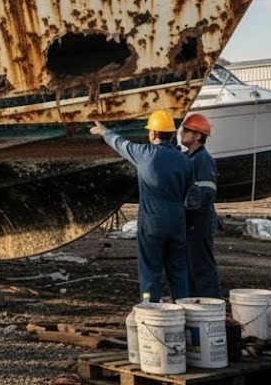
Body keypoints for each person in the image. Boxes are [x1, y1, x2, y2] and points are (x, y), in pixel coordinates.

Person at [91, 111, 193, 302]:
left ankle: (149, 306)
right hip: (177, 221)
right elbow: (189, 190)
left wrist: (105, 131)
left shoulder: (144, 154)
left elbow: (121, 144)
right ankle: (183, 308)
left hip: (152, 221)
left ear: (153, 133)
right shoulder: (185, 161)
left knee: (149, 271)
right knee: (178, 271)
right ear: (172, 134)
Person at [180, 112, 221, 298]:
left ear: (197, 136)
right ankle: (194, 305)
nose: (182, 132)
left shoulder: (203, 159)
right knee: (188, 266)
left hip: (199, 221)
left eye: (186, 130)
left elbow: (206, 194)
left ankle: (211, 306)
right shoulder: (186, 157)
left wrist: (189, 211)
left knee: (201, 265)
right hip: (189, 221)